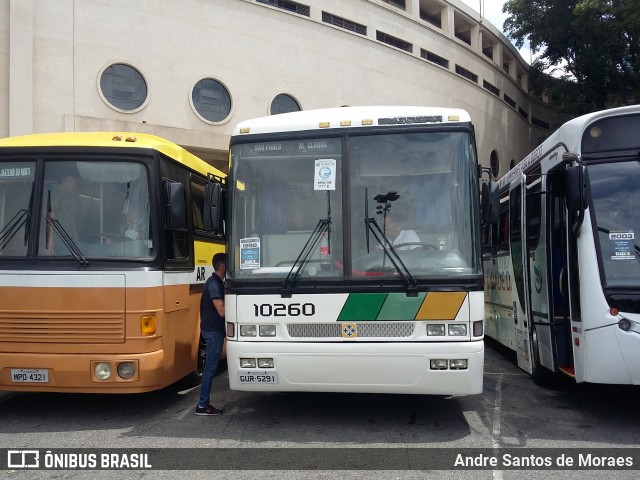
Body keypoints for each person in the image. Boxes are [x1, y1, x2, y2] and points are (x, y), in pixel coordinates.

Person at [196, 252, 226, 416]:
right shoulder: (214, 284)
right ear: (222, 267)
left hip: (213, 330)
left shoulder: (215, 282)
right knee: (210, 368)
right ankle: (202, 405)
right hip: (213, 331)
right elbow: (221, 311)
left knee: (210, 367)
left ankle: (203, 403)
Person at [44, 171, 79, 255]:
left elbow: (72, 219)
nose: (72, 185)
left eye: (74, 183)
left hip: (69, 239)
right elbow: (49, 220)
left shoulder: (70, 196)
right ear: (63, 179)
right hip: (58, 240)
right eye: (69, 181)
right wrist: (49, 243)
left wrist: (76, 238)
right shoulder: (55, 195)